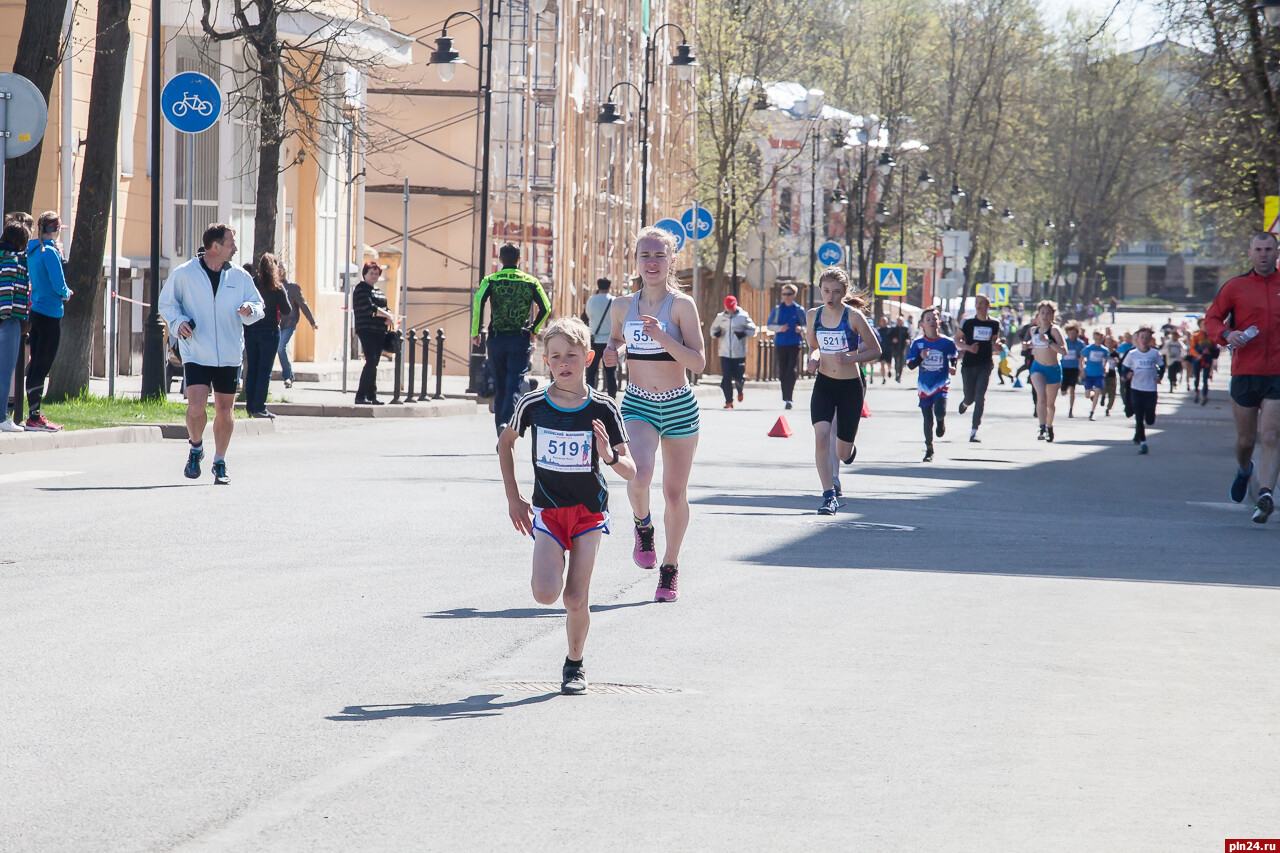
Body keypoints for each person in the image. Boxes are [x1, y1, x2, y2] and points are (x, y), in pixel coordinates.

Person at [498, 317, 635, 695]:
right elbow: (504, 443)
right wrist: (513, 496)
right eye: (556, 356)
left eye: (572, 355)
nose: (564, 363)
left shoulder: (605, 407)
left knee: (575, 597)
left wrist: (608, 456)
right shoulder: (533, 403)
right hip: (548, 511)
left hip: (589, 512)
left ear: (588, 357)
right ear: (546, 360)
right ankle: (554, 554)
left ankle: (574, 664)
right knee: (545, 594)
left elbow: (630, 468)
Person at [602, 226, 705, 602]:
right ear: (635, 261)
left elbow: (699, 362)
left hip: (678, 405)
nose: (652, 262)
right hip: (638, 403)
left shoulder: (681, 306)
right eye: (645, 255)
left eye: (659, 256)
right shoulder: (620, 306)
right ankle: (642, 525)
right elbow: (614, 339)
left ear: (672, 260)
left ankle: (670, 568)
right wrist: (612, 352)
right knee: (639, 475)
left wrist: (664, 338)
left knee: (675, 494)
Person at [158, 223, 264, 484]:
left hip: (228, 353)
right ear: (215, 247)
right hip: (196, 350)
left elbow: (258, 303)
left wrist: (251, 309)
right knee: (196, 407)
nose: (235, 248)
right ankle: (195, 448)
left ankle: (220, 461)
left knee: (225, 410)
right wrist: (177, 322)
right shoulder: (184, 274)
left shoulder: (239, 277)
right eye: (231, 243)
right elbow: (167, 304)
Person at [1205, 231, 1280, 522]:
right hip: (1245, 371)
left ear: (1276, 253)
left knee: (1272, 434)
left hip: (1277, 372)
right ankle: (1245, 468)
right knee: (1246, 440)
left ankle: (1265, 495)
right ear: (1250, 253)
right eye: (1258, 249)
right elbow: (1211, 319)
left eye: (1268, 249)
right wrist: (1227, 334)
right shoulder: (1236, 287)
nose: (1263, 254)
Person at [805, 267, 880, 514]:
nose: (831, 296)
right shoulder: (813, 316)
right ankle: (828, 496)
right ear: (820, 291)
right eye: (826, 291)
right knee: (821, 435)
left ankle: (849, 452)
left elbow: (875, 350)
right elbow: (814, 346)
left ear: (844, 292)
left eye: (836, 292)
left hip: (850, 387)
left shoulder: (854, 317)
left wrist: (851, 358)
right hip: (824, 384)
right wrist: (813, 359)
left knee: (842, 451)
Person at [471, 243, 552, 434]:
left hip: (496, 339)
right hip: (519, 339)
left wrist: (476, 331)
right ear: (519, 260)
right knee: (514, 384)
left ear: (500, 260)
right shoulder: (530, 281)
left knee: (499, 384)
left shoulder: (490, 280)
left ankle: (500, 425)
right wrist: (534, 328)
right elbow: (546, 307)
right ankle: (507, 425)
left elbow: (478, 302)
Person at [23, 211, 71, 432]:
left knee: (35, 363)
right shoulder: (50, 253)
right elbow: (58, 285)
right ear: (56, 229)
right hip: (51, 313)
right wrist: (67, 292)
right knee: (43, 364)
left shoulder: (31, 251)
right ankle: (35, 417)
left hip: (35, 311)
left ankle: (33, 412)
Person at [243, 253, 292, 418]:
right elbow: (287, 310)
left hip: (251, 331)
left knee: (252, 370)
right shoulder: (277, 287)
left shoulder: (251, 283)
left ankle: (250, 407)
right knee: (264, 371)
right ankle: (259, 407)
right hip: (270, 331)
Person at [906, 307, 958, 462]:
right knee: (927, 418)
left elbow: (953, 355)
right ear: (922, 324)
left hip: (941, 383)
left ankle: (941, 421)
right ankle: (929, 449)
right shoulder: (918, 343)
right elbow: (910, 365)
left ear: (939, 322)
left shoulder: (946, 342)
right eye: (928, 319)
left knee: (940, 411)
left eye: (934, 319)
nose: (932, 322)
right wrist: (920, 358)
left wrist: (953, 366)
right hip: (924, 386)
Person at [955, 294, 1001, 442]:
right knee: (970, 397)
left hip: (985, 364)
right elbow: (957, 339)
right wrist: (968, 347)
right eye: (976, 303)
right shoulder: (967, 322)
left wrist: (997, 345)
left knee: (980, 396)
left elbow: (994, 340)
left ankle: (974, 431)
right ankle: (965, 403)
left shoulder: (994, 323)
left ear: (988, 305)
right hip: (969, 364)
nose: (978, 305)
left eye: (981, 303)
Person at [0, 219, 32, 433]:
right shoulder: (12, 260)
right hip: (8, 319)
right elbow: (6, 290)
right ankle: (2, 417)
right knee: (5, 370)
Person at [351, 261, 397, 405]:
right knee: (370, 360)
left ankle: (372, 395)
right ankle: (360, 395)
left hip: (379, 331)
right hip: (366, 329)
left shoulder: (378, 290)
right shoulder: (361, 289)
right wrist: (387, 316)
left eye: (376, 274)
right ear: (365, 274)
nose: (374, 276)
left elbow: (385, 307)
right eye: (371, 273)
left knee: (374, 363)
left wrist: (389, 316)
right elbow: (369, 307)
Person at [1028, 301, 1067, 442]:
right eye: (1042, 313)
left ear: (1053, 315)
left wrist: (1048, 342)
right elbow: (1033, 344)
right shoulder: (1034, 331)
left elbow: (1064, 351)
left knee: (1050, 404)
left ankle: (1049, 426)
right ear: (1038, 314)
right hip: (1037, 368)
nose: (1045, 316)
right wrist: (1027, 345)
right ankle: (1042, 427)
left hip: (1053, 369)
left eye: (1048, 313)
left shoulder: (1055, 330)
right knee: (1041, 397)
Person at [710, 294, 757, 409]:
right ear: (725, 307)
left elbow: (753, 329)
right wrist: (717, 333)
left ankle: (740, 390)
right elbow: (712, 330)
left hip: (739, 353)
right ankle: (729, 401)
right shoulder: (720, 317)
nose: (731, 310)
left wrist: (744, 333)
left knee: (739, 377)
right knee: (726, 377)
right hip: (725, 352)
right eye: (729, 308)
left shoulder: (743, 316)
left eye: (733, 307)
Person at [1122, 326, 1163, 455]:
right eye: (1142, 337)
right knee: (1139, 418)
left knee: (1150, 420)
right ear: (1137, 339)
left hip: (1150, 390)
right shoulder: (1132, 354)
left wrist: (1159, 376)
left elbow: (1162, 366)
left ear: (1150, 339)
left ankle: (1150, 416)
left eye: (1147, 337)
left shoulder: (1154, 353)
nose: (1144, 340)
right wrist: (1126, 375)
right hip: (1136, 389)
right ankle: (1143, 444)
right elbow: (1124, 368)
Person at [766, 283, 806, 407]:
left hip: (794, 343)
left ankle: (789, 397)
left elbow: (806, 325)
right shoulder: (778, 309)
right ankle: (785, 395)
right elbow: (769, 325)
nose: (786, 297)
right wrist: (779, 328)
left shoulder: (799, 310)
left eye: (789, 294)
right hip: (780, 343)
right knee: (783, 371)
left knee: (791, 369)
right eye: (784, 294)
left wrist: (800, 328)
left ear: (794, 295)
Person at [278, 267, 316, 389]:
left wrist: (312, 321)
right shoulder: (272, 287)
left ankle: (288, 376)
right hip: (275, 324)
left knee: (281, 347)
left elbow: (303, 305)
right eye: (278, 270)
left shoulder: (293, 288)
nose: (280, 273)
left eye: (282, 270)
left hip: (289, 323)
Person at [583, 277, 617, 398]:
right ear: (609, 287)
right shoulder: (614, 300)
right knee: (610, 370)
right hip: (610, 340)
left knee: (591, 371)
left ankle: (590, 395)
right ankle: (612, 396)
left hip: (594, 340)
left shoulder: (591, 300)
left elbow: (587, 315)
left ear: (598, 286)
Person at [1080, 330, 1109, 420]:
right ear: (1093, 338)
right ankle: (1092, 395)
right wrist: (1082, 370)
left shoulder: (1104, 350)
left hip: (1099, 374)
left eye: (1100, 339)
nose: (1098, 340)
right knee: (1087, 395)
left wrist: (1106, 368)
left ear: (1102, 339)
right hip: (1089, 373)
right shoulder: (1088, 348)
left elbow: (1106, 361)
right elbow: (1081, 359)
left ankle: (1092, 412)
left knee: (1097, 391)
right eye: (1096, 338)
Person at [1060, 321, 1086, 418]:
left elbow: (1082, 356)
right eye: (1070, 333)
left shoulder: (1080, 344)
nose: (1072, 335)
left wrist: (1081, 368)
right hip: (1064, 367)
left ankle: (1071, 409)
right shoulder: (1064, 342)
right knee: (1063, 392)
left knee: (1072, 388)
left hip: (1074, 368)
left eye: (1074, 333)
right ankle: (1064, 388)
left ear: (1077, 333)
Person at [1103, 334, 1120, 416]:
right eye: (1107, 342)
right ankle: (1102, 397)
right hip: (1103, 374)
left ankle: (1108, 408)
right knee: (1103, 388)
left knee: (1112, 393)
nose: (1109, 344)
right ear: (1105, 343)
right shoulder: (1103, 351)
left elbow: (1119, 365)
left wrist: (1117, 362)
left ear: (1114, 343)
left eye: (1111, 342)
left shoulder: (1115, 353)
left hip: (1112, 374)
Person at [888, 316, 910, 382]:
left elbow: (908, 336)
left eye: (901, 321)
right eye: (898, 321)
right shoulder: (894, 329)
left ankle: (899, 375)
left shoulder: (905, 329)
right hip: (895, 348)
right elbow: (889, 337)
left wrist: (908, 340)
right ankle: (896, 373)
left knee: (901, 362)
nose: (899, 322)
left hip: (902, 348)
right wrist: (892, 340)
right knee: (896, 361)